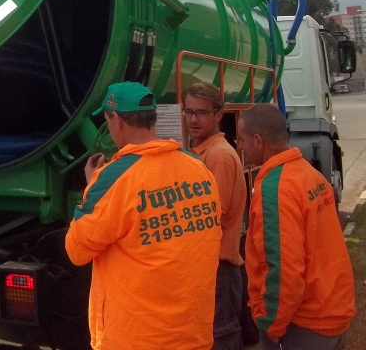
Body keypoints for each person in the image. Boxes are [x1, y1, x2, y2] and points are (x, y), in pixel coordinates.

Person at [65, 82, 222, 350]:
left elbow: (77, 250)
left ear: (117, 120)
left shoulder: (113, 179)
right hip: (192, 333)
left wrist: (92, 187)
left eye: (107, 119)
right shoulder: (198, 167)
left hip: (137, 338)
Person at [237, 104, 355, 350]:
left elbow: (283, 268)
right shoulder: (308, 174)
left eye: (242, 140)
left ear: (258, 141)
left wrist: (271, 325)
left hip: (304, 325)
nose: (241, 147)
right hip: (333, 311)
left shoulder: (276, 189)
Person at [182, 83, 247, 350]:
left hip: (218, 269)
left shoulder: (217, 156)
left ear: (218, 115)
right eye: (189, 112)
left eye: (202, 113)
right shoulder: (202, 152)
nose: (193, 120)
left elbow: (209, 219)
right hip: (210, 269)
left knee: (220, 339)